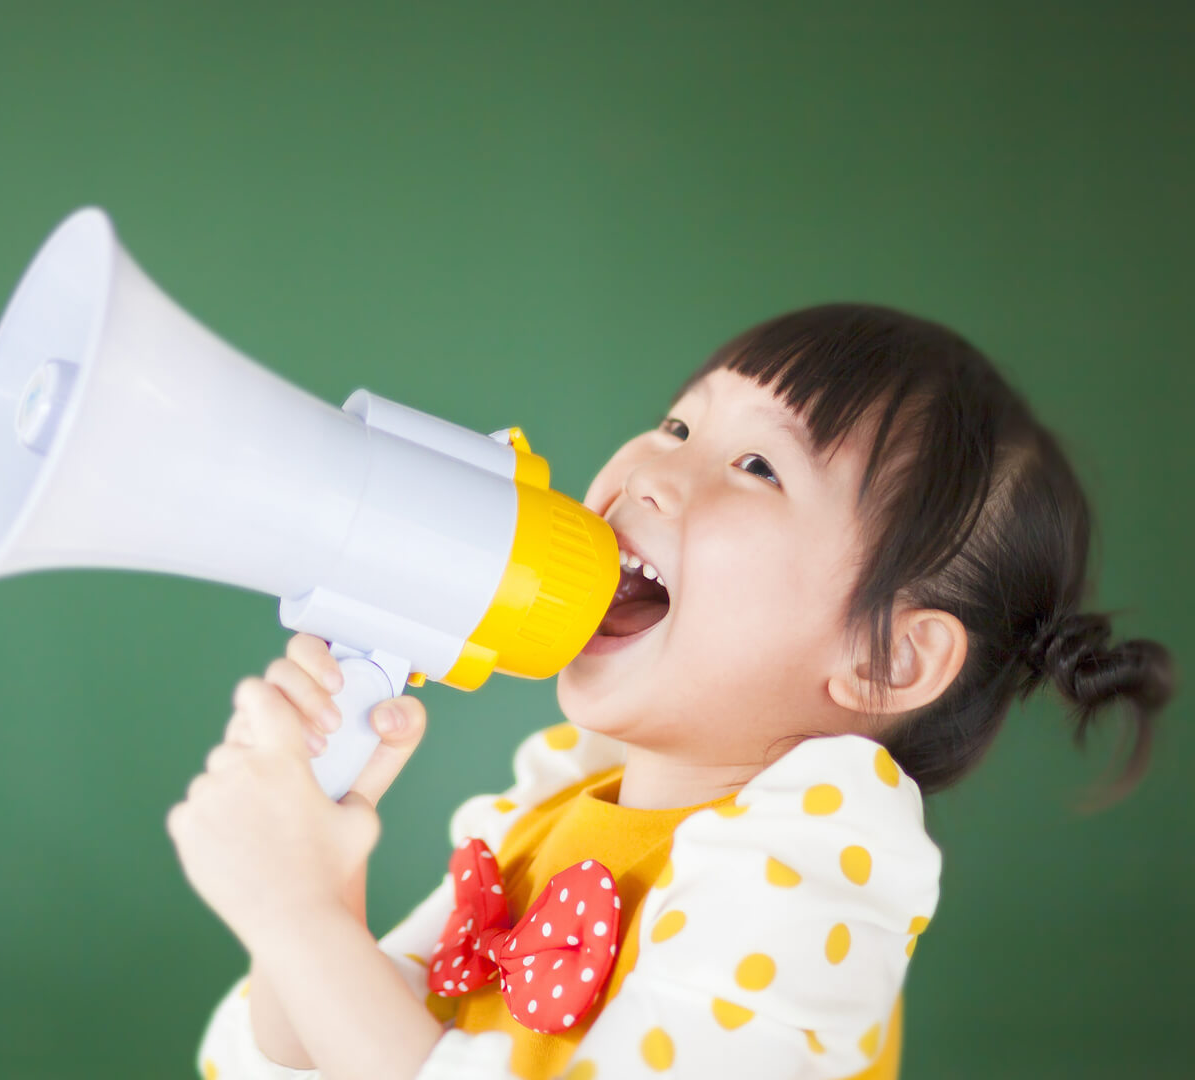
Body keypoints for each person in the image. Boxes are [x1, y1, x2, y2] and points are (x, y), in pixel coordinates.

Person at [165, 303, 1174, 1080]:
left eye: (756, 465)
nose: (652, 467)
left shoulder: (821, 865)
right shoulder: (552, 813)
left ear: (887, 662)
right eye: (676, 424)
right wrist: (318, 885)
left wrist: (298, 915)